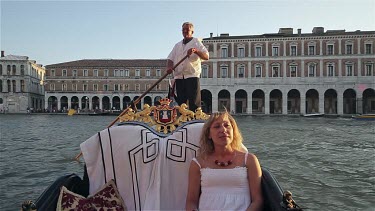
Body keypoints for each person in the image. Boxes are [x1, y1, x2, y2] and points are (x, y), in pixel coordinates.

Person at [186, 111, 263, 211]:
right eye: (217, 126)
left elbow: (258, 200)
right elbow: (191, 202)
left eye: (227, 125)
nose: (223, 130)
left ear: (233, 130)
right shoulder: (198, 163)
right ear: (209, 134)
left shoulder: (249, 160)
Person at [166, 22, 209, 112]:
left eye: (187, 30)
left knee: (194, 103)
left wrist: (196, 51)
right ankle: (182, 121)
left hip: (192, 76)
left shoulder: (196, 42)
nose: (185, 31)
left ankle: (195, 122)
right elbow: (170, 58)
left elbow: (206, 56)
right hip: (179, 77)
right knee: (181, 103)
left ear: (192, 32)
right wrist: (169, 67)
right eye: (183, 30)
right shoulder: (177, 45)